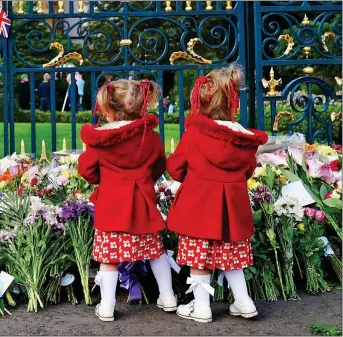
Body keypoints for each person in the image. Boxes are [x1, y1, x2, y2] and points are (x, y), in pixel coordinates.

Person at [166, 66, 268, 323]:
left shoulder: (195, 134)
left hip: (198, 208)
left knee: (198, 258)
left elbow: (177, 168)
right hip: (232, 210)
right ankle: (244, 302)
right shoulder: (243, 139)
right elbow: (247, 170)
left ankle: (201, 307)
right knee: (232, 257)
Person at [78, 79, 177, 322]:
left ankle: (108, 305)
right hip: (142, 201)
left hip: (111, 203)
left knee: (109, 258)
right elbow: (159, 165)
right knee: (155, 251)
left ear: (108, 109)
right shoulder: (149, 137)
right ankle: (167, 296)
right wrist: (143, 179)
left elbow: (88, 172)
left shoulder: (101, 140)